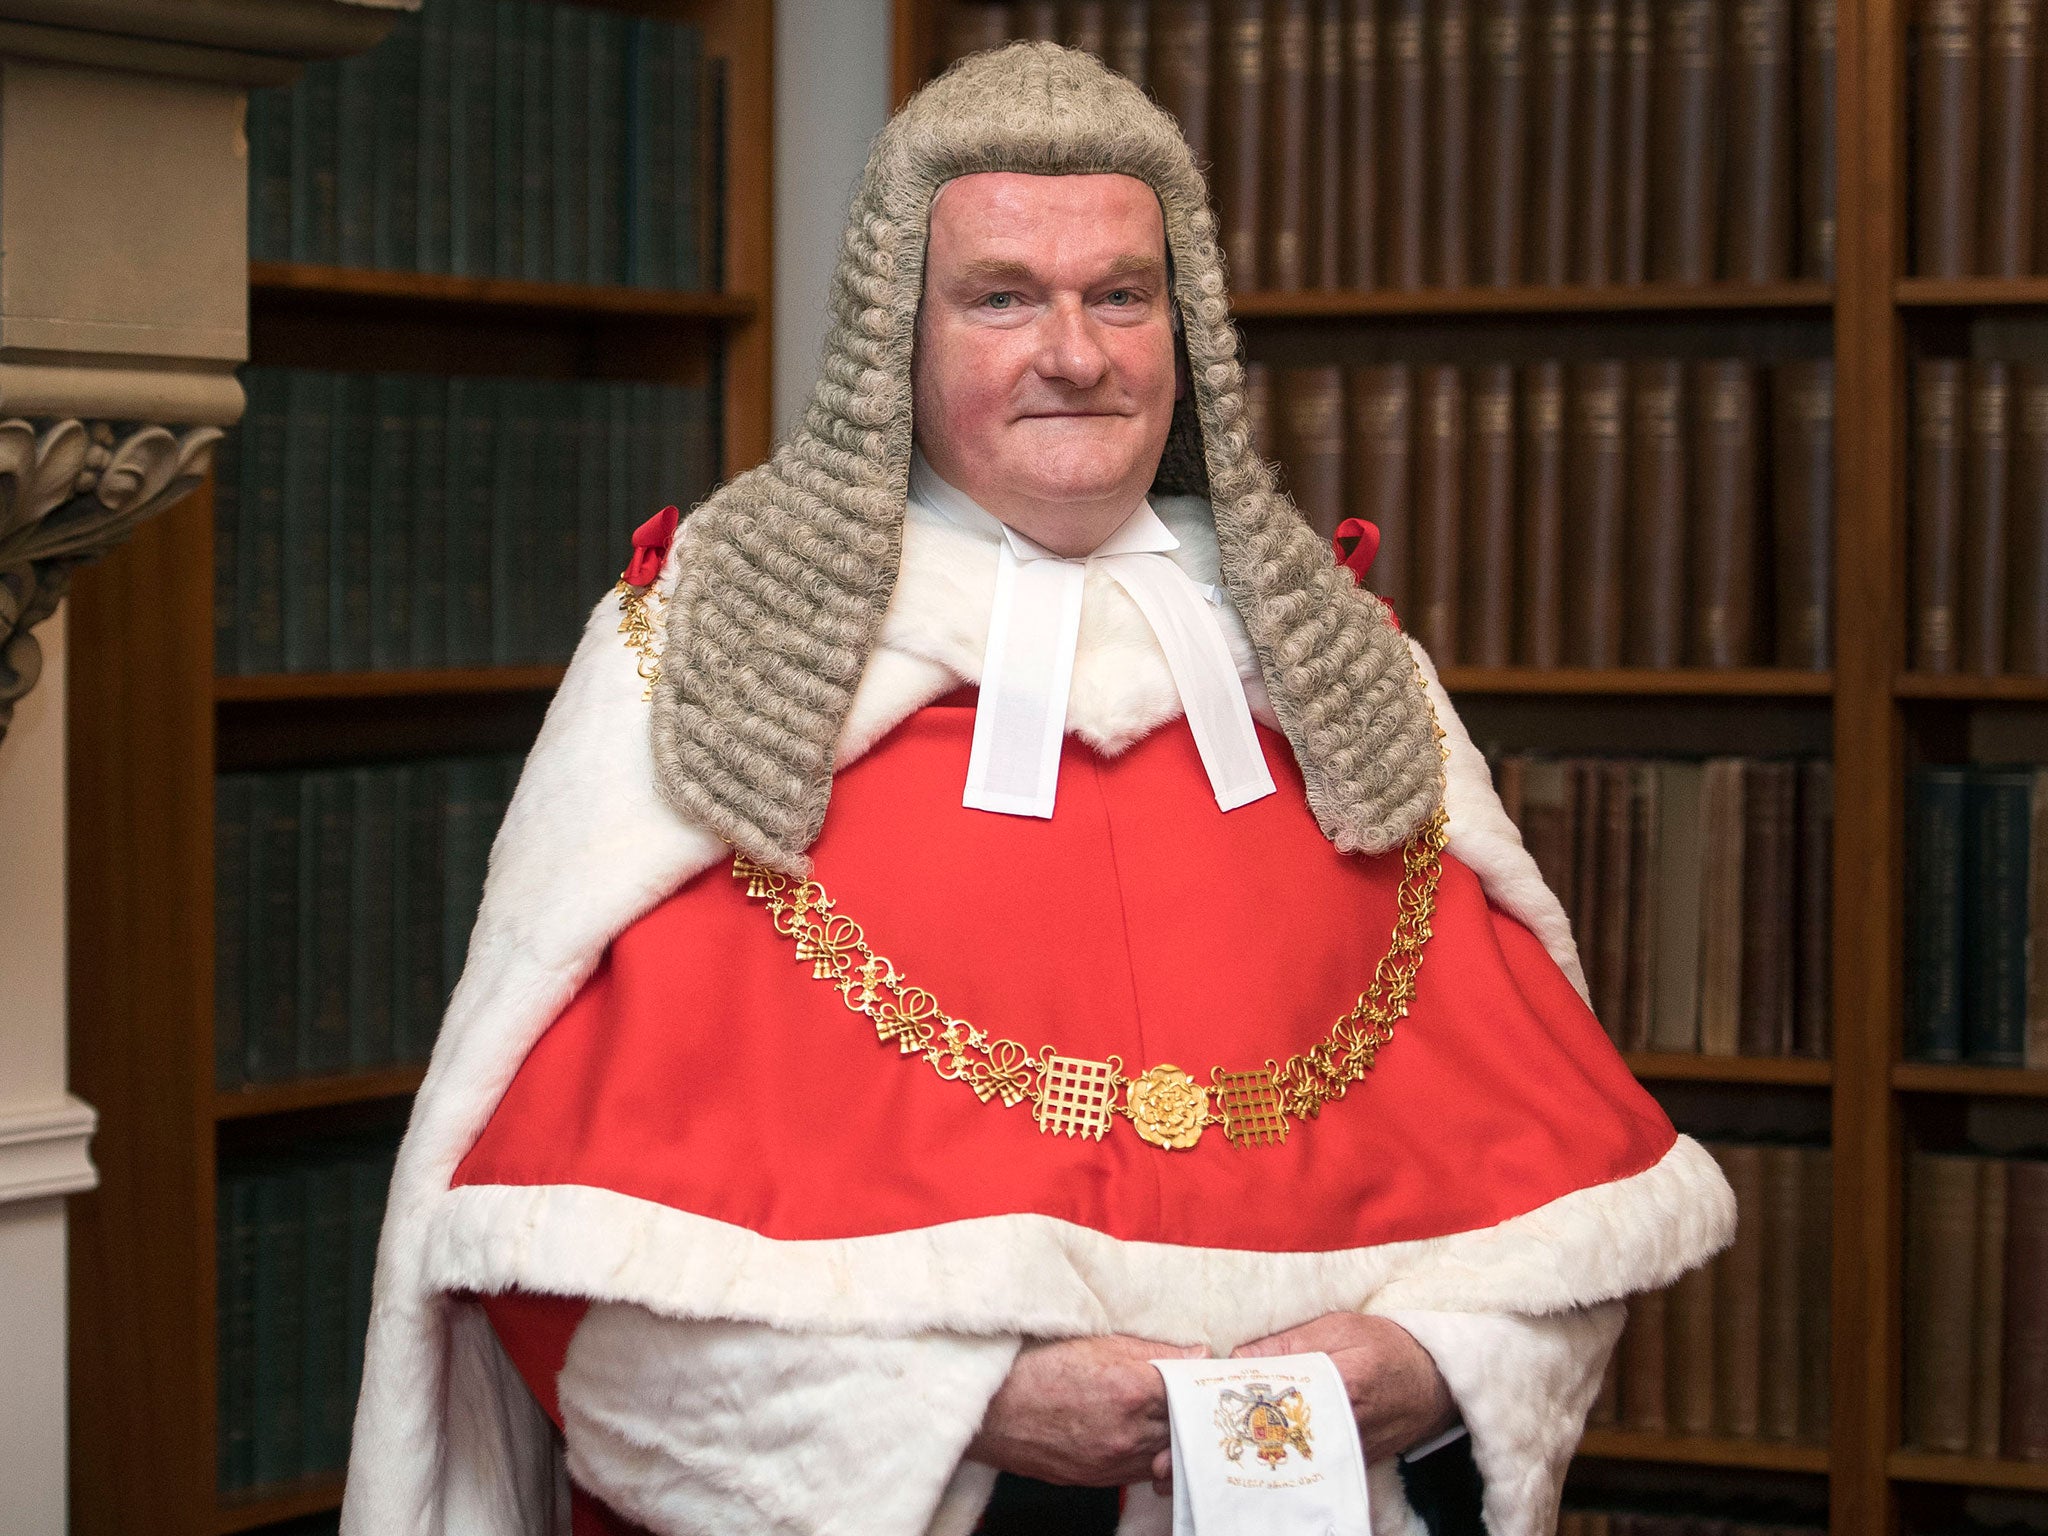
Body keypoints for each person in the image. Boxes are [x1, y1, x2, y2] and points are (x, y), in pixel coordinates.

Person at [340, 41, 1733, 1536]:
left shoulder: (1345, 668)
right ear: (895, 334)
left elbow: (1564, 1216)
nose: (1075, 351)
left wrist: (1439, 1363)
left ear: (1182, 325)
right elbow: (553, 1279)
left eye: (1120, 295)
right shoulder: (697, 658)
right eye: (1004, 296)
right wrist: (966, 1410)